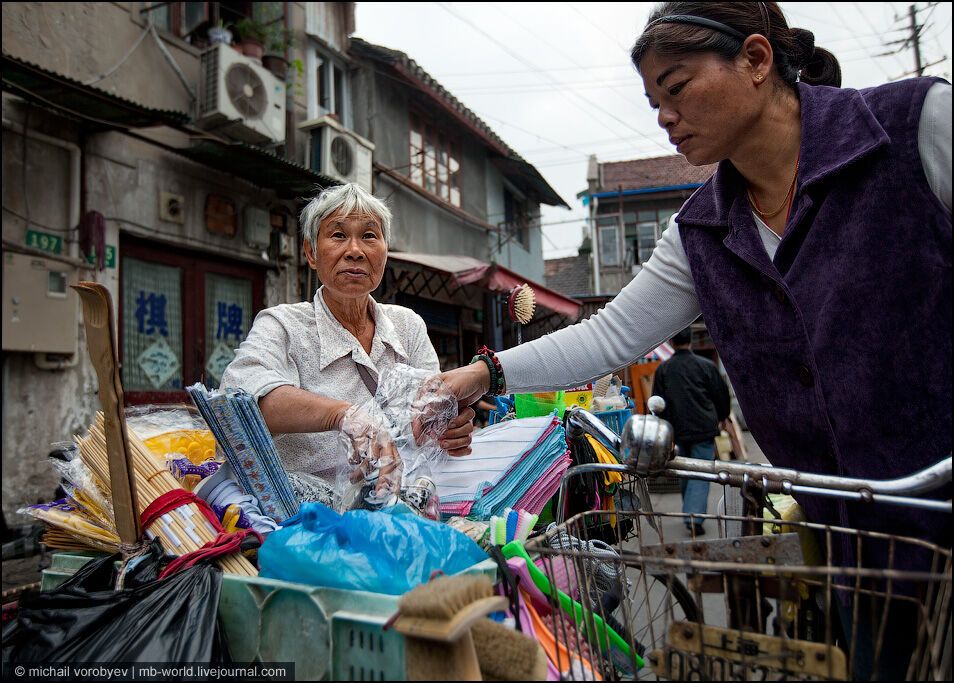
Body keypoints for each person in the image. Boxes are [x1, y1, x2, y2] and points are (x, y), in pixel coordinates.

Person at [436, 3, 950, 677]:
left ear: (758, 60)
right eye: (654, 102)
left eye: (676, 89)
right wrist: (484, 372)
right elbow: (611, 334)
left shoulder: (912, 127)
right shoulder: (702, 228)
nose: (664, 117)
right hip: (858, 543)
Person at [221, 183, 475, 494]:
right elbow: (236, 401)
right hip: (309, 515)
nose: (355, 250)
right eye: (339, 235)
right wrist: (343, 415)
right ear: (311, 253)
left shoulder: (408, 326)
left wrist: (449, 429)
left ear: (384, 251)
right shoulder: (283, 325)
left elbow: (427, 419)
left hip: (398, 505)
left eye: (369, 236)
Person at [651, 327, 730, 535]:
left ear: (672, 343)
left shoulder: (663, 370)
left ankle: (691, 513)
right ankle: (694, 517)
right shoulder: (706, 366)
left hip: (676, 429)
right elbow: (721, 395)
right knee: (700, 473)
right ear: (691, 341)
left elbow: (657, 404)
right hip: (704, 427)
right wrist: (722, 417)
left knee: (685, 472)